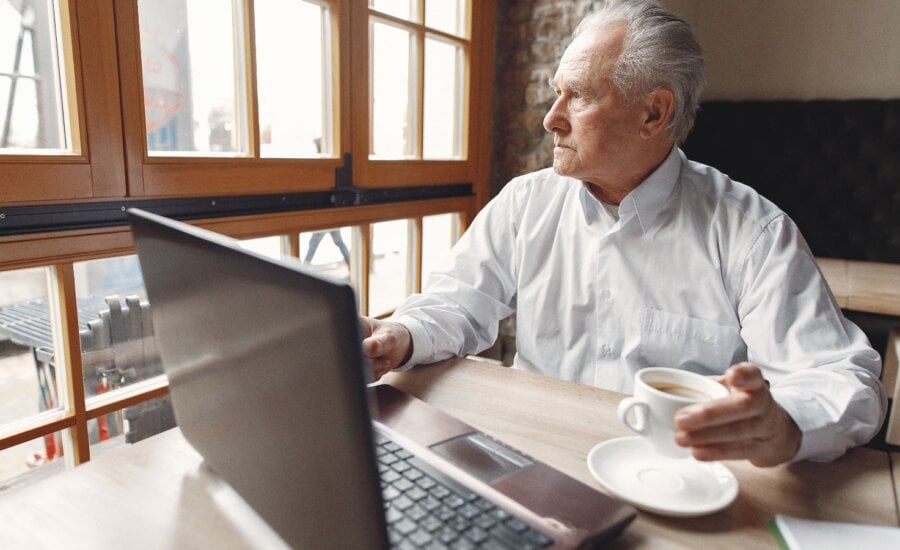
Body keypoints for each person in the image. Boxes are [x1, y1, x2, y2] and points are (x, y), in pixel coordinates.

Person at [360, 0, 885, 466]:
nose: (550, 120)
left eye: (579, 97)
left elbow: (843, 379)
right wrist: (402, 336)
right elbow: (455, 304)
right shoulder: (526, 203)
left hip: (676, 475)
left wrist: (783, 425)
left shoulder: (752, 232)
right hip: (531, 453)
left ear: (654, 113)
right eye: (555, 94)